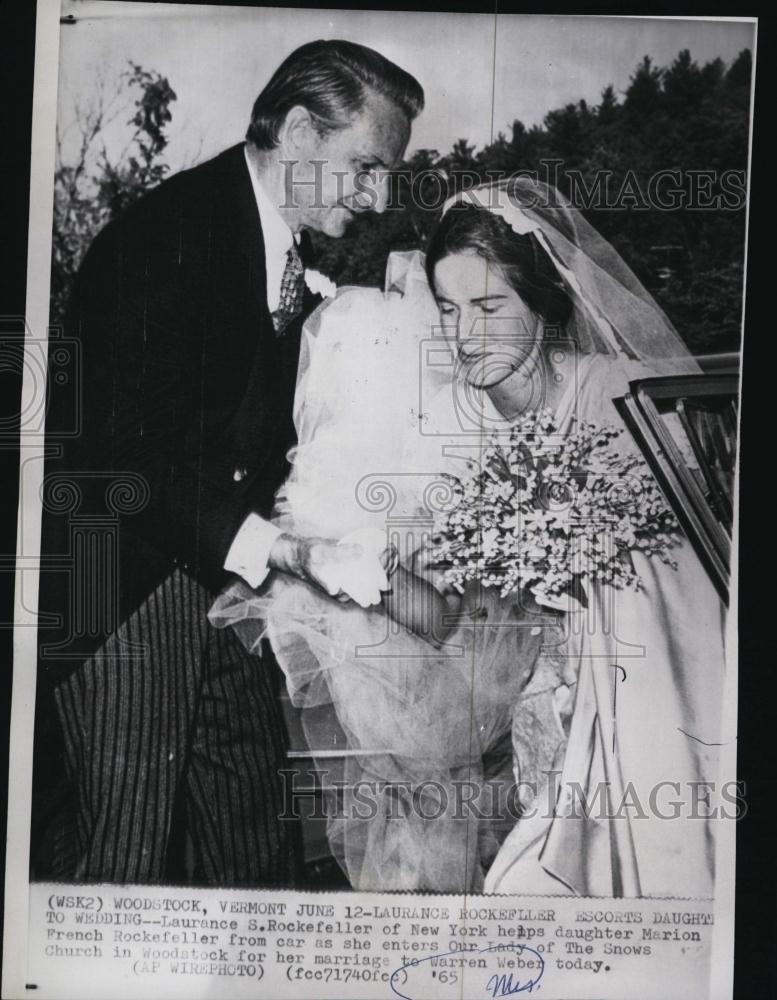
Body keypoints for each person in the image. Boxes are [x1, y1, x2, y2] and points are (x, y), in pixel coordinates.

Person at [212, 177, 727, 898]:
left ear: (541, 301)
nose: (464, 335)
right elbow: (442, 615)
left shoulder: (619, 397)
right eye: (449, 309)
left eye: (488, 307)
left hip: (637, 696)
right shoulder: (447, 423)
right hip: (531, 716)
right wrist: (354, 561)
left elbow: (690, 585)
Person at [33, 40, 422, 885]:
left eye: (388, 175)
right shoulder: (168, 235)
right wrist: (286, 552)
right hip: (123, 583)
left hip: (220, 580)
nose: (380, 196)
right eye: (366, 167)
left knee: (252, 842)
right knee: (126, 857)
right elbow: (125, 457)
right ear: (298, 131)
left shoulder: (280, 243)